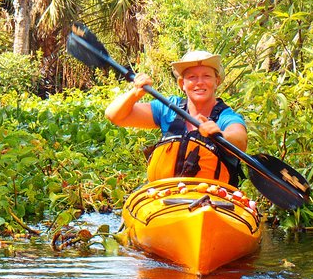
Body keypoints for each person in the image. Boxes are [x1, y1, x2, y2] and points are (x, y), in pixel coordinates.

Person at [105, 50, 247, 185]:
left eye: (207, 76)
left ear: (217, 81)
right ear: (182, 84)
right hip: (165, 197)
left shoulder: (226, 116)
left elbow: (240, 140)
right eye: (192, 77)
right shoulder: (169, 108)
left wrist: (220, 134)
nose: (199, 82)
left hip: (211, 200)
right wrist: (135, 93)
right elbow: (114, 115)